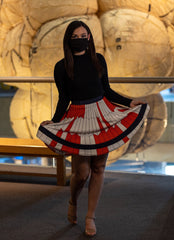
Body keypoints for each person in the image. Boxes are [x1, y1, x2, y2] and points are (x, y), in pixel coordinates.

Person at [37, 20, 150, 237]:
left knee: (99, 168)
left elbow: (106, 90)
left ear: (89, 37)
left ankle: (90, 217)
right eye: (76, 36)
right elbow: (64, 98)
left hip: (102, 114)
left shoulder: (98, 59)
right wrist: (55, 121)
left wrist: (129, 102)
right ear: (69, 40)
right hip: (78, 117)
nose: (81, 39)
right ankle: (73, 200)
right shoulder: (61, 66)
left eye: (84, 35)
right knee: (81, 173)